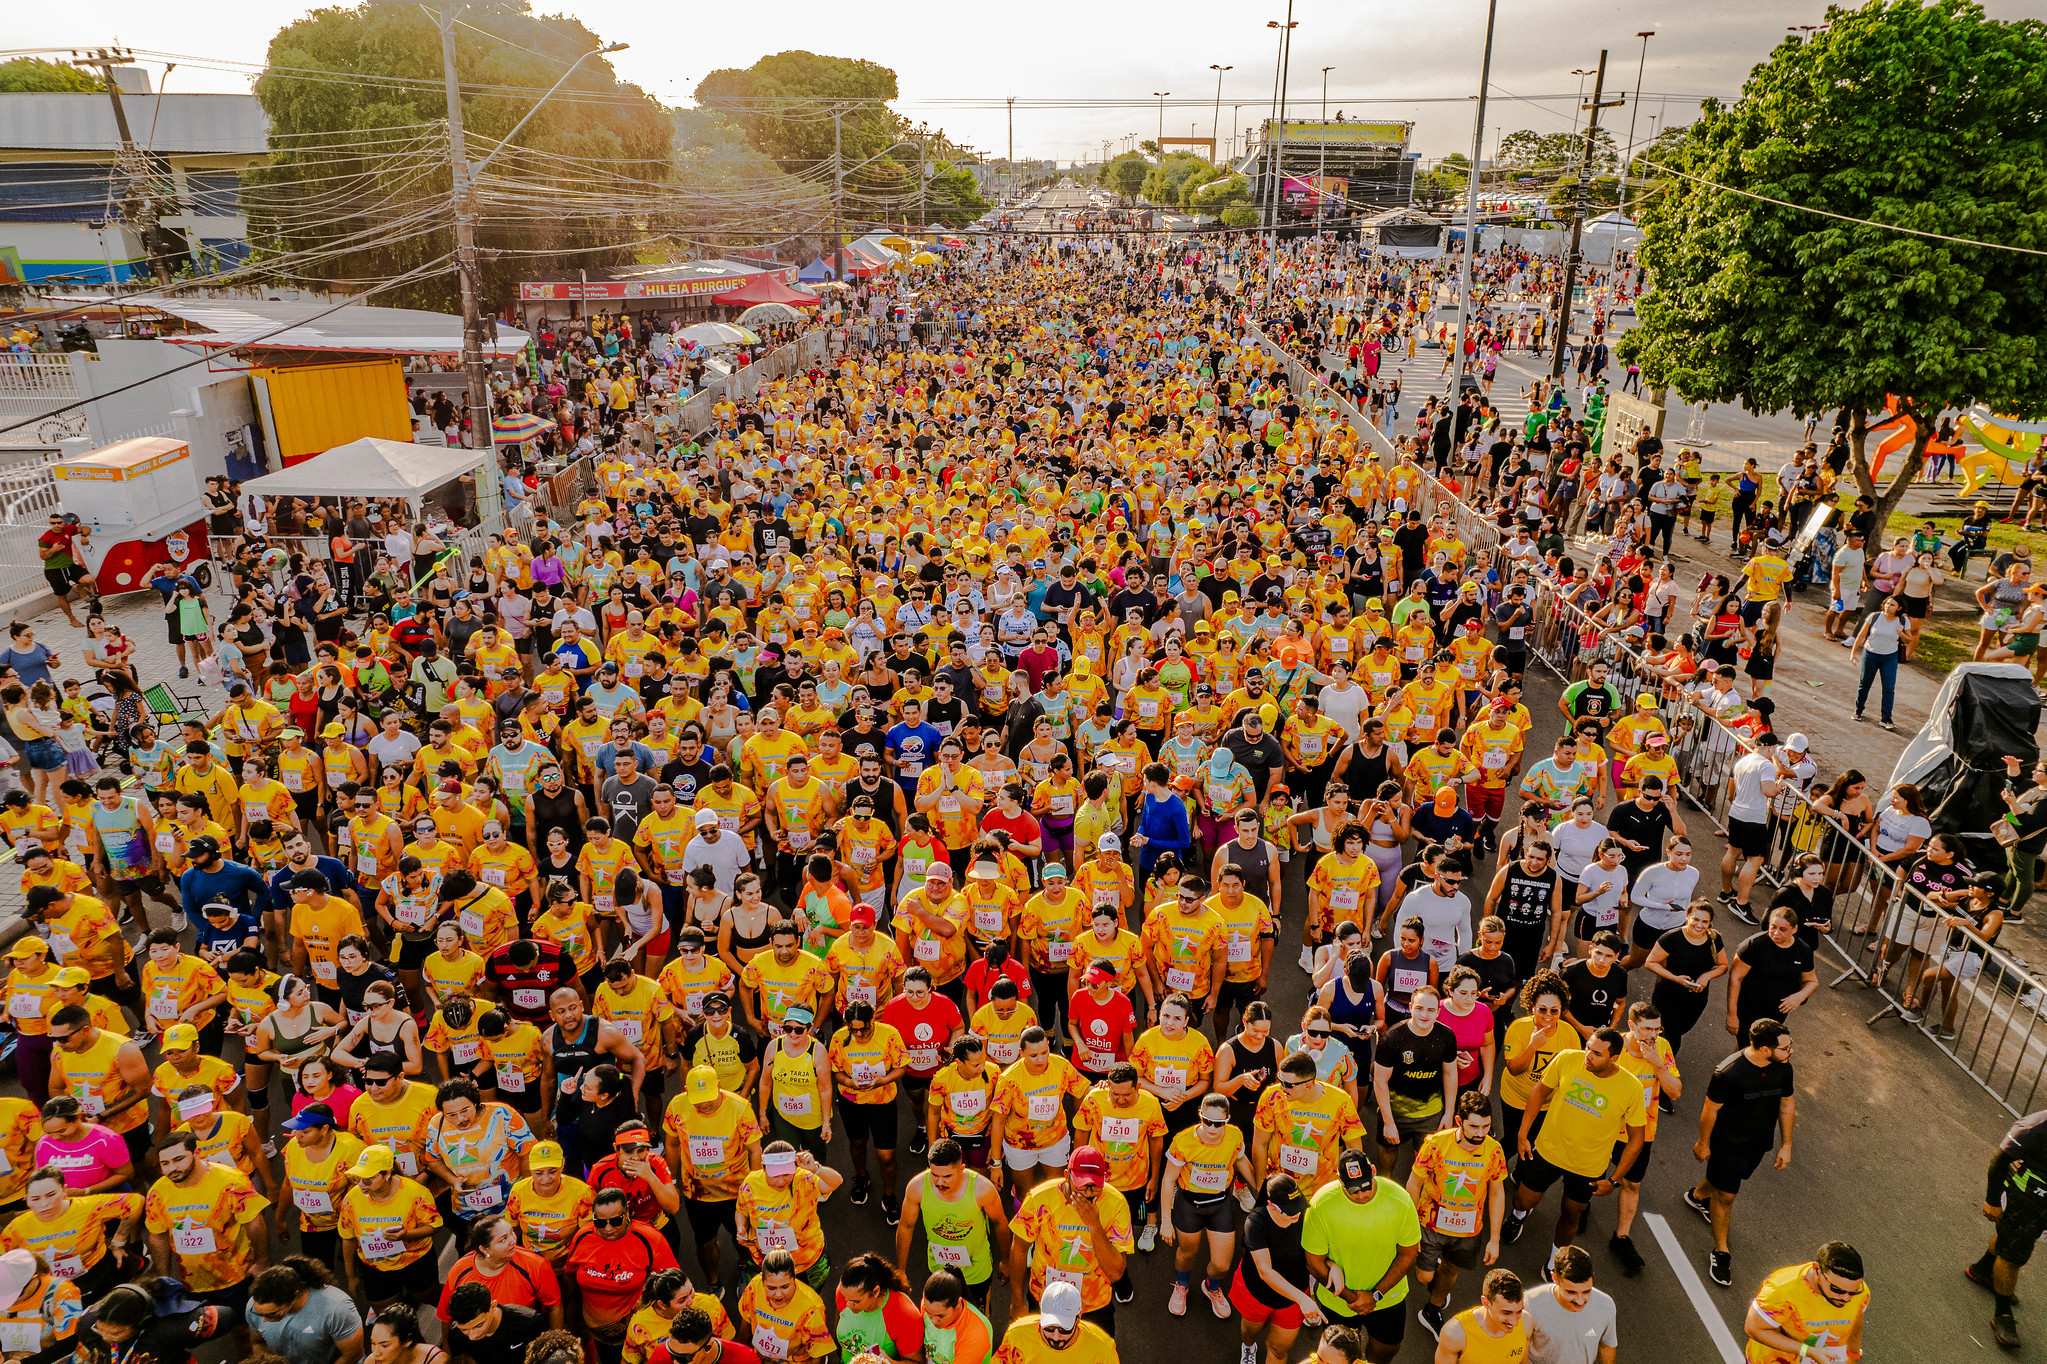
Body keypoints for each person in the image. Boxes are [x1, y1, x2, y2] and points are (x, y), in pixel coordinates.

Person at [1502, 1028, 1646, 1263]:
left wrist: (1614, 1180)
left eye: (1597, 1053)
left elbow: (1637, 1139)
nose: (1588, 1055)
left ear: (1614, 1058)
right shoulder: (1568, 1058)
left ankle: (1555, 1260)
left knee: (1571, 1215)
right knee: (1522, 1200)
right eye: (1588, 1047)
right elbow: (1539, 1091)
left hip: (1587, 1167)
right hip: (1548, 1151)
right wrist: (1522, 1133)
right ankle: (1518, 1216)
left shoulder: (1632, 1088)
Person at [1685, 1019, 1796, 1289]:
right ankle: (1721, 1252)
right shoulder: (1728, 1073)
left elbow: (1786, 1104)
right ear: (1765, 1049)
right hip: (1728, 1144)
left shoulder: (1783, 1068)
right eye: (1785, 1047)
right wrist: (1703, 1143)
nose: (1791, 1051)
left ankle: (1697, 1197)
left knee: (1725, 1182)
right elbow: (1710, 1110)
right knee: (1726, 1196)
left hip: (1758, 1144)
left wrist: (1787, 1144)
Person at [1300, 1148, 1420, 1364]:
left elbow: (1408, 1254)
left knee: (1386, 1351)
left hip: (1387, 1298)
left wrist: (1375, 1295)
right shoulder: (1320, 1205)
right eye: (1353, 1190)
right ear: (1339, 1179)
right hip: (1340, 1302)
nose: (1362, 1195)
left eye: (1366, 1186)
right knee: (1337, 1359)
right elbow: (1314, 1264)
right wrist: (1353, 1299)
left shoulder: (1400, 1200)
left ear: (1373, 1171)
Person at [1405, 1092, 1508, 1338]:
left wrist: (1494, 1238)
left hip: (1468, 1229)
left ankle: (1433, 1309)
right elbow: (1413, 1183)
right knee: (1423, 1276)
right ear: (1458, 1121)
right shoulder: (1435, 1144)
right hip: (1430, 1223)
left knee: (1451, 1271)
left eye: (1486, 1126)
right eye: (1474, 1126)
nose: (1480, 1133)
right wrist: (1409, 1227)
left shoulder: (1494, 1151)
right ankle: (1434, 1272)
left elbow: (1497, 1193)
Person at [1006, 1145, 1131, 1331]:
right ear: (1066, 1176)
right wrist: (1017, 1302)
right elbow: (1020, 1247)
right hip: (1044, 1296)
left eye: (1095, 1186)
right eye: (1082, 1185)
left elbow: (1115, 1273)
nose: (1088, 1193)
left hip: (1092, 1303)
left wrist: (1094, 1225)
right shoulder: (1039, 1198)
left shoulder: (1116, 1204)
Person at [1158, 1091, 1251, 1318]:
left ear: (1227, 1120)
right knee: (1188, 1253)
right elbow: (1169, 1180)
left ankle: (1212, 1288)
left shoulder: (1235, 1137)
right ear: (1199, 1115)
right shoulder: (1183, 1141)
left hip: (1219, 1203)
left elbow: (1242, 1162)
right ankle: (1182, 1285)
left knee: (1221, 1265)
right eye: (1206, 1121)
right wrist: (1165, 1221)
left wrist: (1259, 1189)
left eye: (1218, 1123)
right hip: (1189, 1204)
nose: (1211, 1128)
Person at [895, 1136, 1012, 1312]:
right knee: (941, 1317)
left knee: (979, 1316)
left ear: (962, 1169)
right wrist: (901, 1271)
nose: (940, 1182)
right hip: (939, 1271)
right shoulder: (917, 1187)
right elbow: (905, 1226)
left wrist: (1006, 1261)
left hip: (976, 1273)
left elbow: (1000, 1223)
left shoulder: (982, 1189)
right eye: (935, 1175)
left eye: (947, 1176)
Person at [567, 1187, 680, 1360]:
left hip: (637, 1336)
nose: (608, 1228)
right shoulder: (583, 1237)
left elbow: (673, 1285)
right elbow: (570, 1277)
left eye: (616, 1221)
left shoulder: (649, 1239)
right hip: (597, 1335)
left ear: (627, 1214)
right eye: (600, 1222)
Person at [1970, 1108, 2047, 1347]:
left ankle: (1982, 1270)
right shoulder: (2035, 1125)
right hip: (2023, 1200)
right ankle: (2002, 1314)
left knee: (2009, 1241)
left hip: (2041, 1205)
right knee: (2011, 1257)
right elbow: (2000, 1158)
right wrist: (1992, 1201)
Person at [1743, 1242, 1868, 1364]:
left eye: (1853, 1292)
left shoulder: (1860, 1291)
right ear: (1817, 1270)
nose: (1846, 1298)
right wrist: (1808, 1351)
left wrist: (1853, 1355)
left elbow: (1856, 1318)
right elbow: (1753, 1328)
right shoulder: (1781, 1290)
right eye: (1837, 1289)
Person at [245, 1257, 365, 1364]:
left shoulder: (337, 1307)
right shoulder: (255, 1307)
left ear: (295, 1295)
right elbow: (258, 1343)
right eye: (260, 1314)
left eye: (273, 1314)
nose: (264, 1319)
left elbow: (352, 1355)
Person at [1520, 1245, 1617, 1364]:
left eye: (1587, 1291)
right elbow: (1519, 1344)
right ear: (1554, 1277)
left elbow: (1606, 1347)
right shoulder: (1531, 1302)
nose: (1580, 1301)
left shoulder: (1606, 1306)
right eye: (1571, 1292)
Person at [1434, 1269, 1527, 1364]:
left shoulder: (1526, 1321)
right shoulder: (1455, 1334)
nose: (1515, 1322)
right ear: (1486, 1303)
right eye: (1506, 1313)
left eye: (1519, 1311)